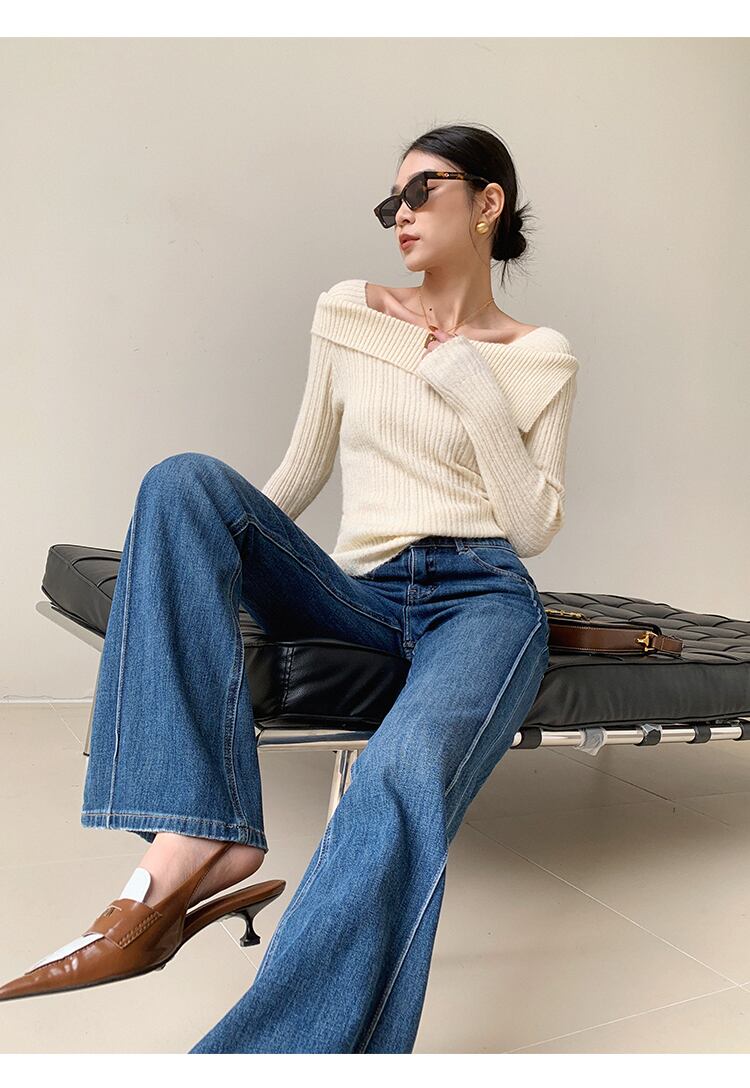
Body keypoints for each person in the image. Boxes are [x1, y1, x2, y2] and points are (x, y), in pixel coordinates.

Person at [0, 122, 579, 1053]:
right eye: (390, 202)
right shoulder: (350, 311)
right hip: (361, 590)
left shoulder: (539, 354)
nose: (400, 214)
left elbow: (534, 523)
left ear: (487, 202)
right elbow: (299, 474)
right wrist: (216, 554)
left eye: (421, 190)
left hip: (481, 600)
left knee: (398, 776)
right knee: (183, 484)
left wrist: (471, 384)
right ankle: (198, 836)